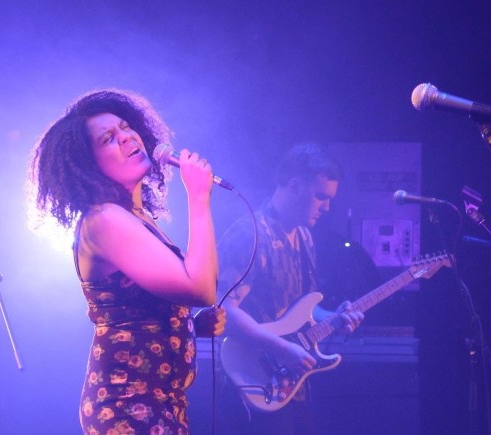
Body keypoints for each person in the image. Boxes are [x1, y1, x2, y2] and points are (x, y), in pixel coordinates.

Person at [29, 88, 226, 435]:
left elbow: (140, 312)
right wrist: (198, 196)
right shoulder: (103, 219)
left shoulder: (134, 216)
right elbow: (201, 287)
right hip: (126, 404)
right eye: (108, 139)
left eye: (125, 127)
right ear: (88, 166)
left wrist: (190, 327)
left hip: (160, 401)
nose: (126, 137)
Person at [217, 143, 364, 435]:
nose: (327, 207)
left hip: (292, 384)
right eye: (320, 196)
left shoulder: (305, 238)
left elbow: (302, 308)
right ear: (295, 186)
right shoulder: (251, 234)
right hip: (252, 381)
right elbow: (223, 311)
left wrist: (334, 317)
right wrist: (282, 348)